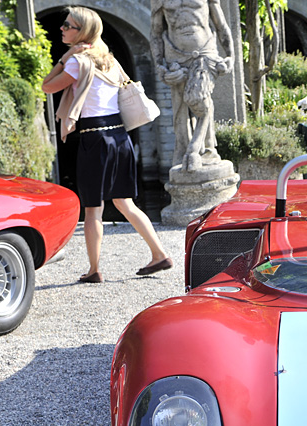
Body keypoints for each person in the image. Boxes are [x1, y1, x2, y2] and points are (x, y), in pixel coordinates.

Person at [42, 6, 172, 284]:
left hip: (96, 139)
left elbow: (47, 86)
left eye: (68, 25)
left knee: (92, 208)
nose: (62, 29)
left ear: (83, 32)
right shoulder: (109, 60)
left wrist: (64, 58)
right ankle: (159, 253)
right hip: (120, 137)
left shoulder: (78, 62)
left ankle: (93, 270)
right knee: (125, 202)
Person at [149, 0, 236, 172]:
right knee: (180, 110)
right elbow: (156, 33)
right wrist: (159, 65)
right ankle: (186, 154)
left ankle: (197, 149)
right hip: (175, 55)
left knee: (198, 98)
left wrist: (231, 56)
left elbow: (221, 25)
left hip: (204, 51)